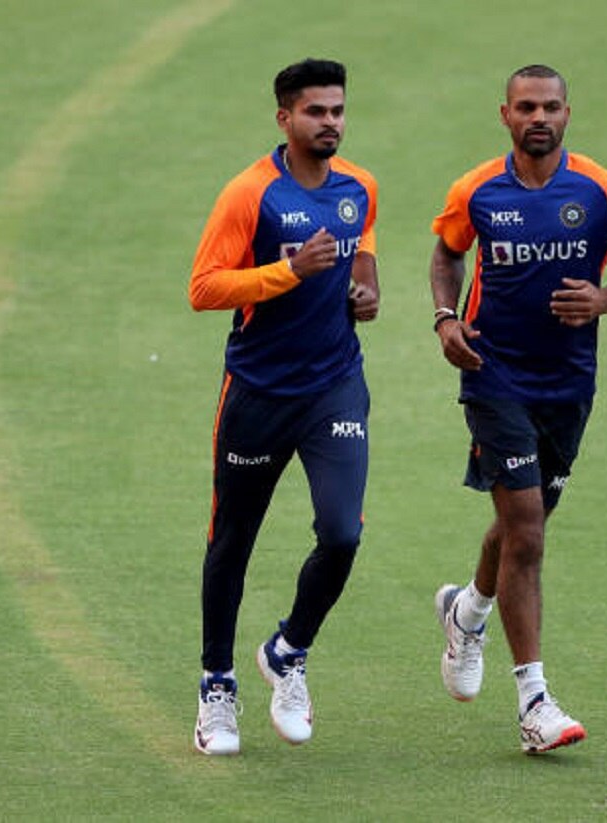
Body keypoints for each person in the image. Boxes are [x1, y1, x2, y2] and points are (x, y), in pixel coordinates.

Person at [428, 64, 607, 754]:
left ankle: (467, 609)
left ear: (567, 114)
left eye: (551, 107)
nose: (540, 117)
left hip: (569, 384)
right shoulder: (477, 189)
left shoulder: (599, 189)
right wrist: (446, 319)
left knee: (520, 524)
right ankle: (535, 702)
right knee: (527, 529)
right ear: (505, 114)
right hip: (494, 375)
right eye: (526, 106)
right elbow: (446, 253)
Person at [187, 58, 379, 755]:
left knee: (343, 533)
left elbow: (364, 268)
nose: (329, 122)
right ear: (285, 118)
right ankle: (217, 685)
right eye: (315, 112)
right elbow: (205, 288)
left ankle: (289, 649)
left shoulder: (359, 187)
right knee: (232, 542)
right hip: (259, 393)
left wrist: (367, 296)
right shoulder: (250, 194)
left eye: (337, 111)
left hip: (334, 386)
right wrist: (287, 272)